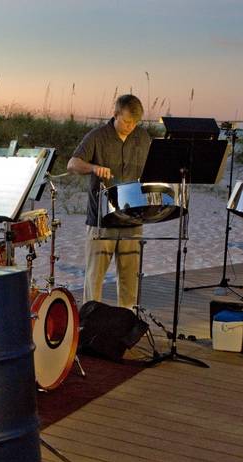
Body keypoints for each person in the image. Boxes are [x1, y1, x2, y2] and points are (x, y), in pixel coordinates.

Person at [67, 94, 151, 309]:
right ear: (115, 115)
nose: (130, 126)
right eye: (126, 121)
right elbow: (72, 164)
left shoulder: (143, 138)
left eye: (134, 123)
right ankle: (90, 324)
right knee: (95, 278)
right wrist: (93, 168)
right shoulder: (97, 136)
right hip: (101, 221)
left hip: (132, 220)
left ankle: (126, 324)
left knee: (130, 280)